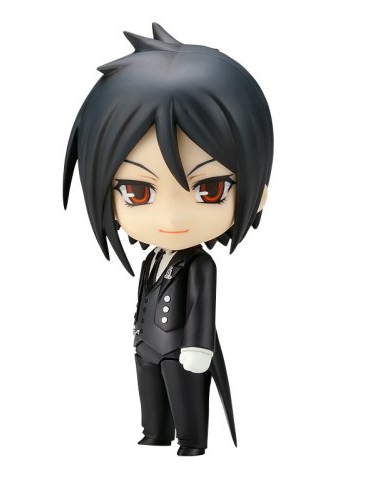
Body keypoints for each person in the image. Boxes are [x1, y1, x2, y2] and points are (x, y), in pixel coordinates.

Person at [63, 22, 273, 456]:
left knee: (186, 395)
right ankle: (155, 431)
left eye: (209, 189)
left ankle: (192, 442)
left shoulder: (201, 265)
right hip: (148, 345)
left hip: (182, 349)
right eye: (137, 192)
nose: (173, 218)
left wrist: (198, 346)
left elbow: (202, 307)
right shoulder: (151, 261)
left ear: (258, 194)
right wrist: (138, 332)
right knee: (152, 395)